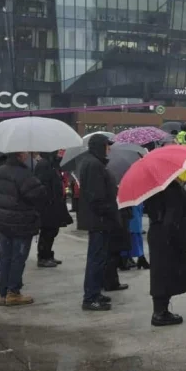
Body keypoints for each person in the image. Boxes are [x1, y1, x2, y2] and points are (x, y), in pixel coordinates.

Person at [0, 152, 46, 306]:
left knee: (5, 257)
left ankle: (4, 292)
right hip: (21, 222)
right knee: (18, 258)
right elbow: (38, 195)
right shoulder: (24, 174)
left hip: (2, 222)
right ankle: (13, 292)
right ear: (20, 155)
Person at [76, 133, 122, 312]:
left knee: (99, 258)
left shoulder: (93, 163)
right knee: (96, 259)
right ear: (99, 146)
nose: (109, 148)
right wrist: (110, 211)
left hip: (99, 219)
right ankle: (90, 297)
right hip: (99, 220)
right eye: (107, 145)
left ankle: (95, 292)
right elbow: (97, 197)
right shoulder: (94, 165)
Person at [145, 179, 186, 327]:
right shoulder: (170, 188)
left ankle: (161, 309)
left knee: (161, 272)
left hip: (159, 232)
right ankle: (160, 312)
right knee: (164, 273)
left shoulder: (153, 186)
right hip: (168, 235)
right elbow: (173, 214)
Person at [33, 152, 72, 268]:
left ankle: (48, 254)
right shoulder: (44, 165)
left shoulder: (52, 164)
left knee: (53, 231)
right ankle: (43, 257)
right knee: (47, 231)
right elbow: (42, 184)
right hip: (48, 205)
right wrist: (49, 199)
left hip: (55, 204)